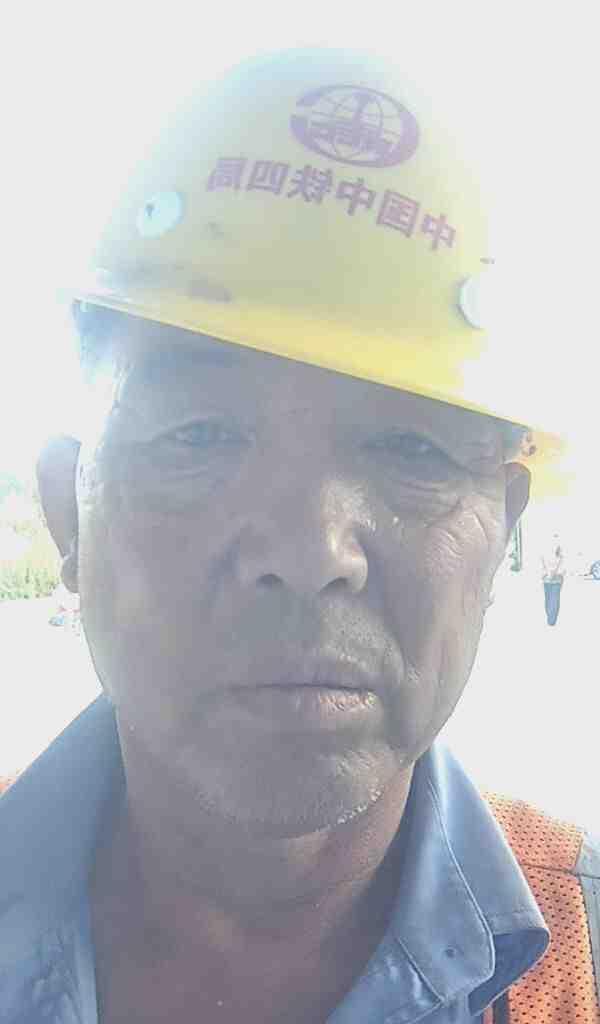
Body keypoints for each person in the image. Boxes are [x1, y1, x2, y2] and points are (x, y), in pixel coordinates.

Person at [1, 50, 598, 1024]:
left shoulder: (584, 959)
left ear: (501, 539)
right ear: (69, 508)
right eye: (200, 435)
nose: (311, 549)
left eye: (411, 448)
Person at [541, 535, 565, 626]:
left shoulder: (561, 555)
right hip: (547, 580)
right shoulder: (544, 553)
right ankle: (550, 617)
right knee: (548, 600)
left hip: (556, 581)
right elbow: (541, 563)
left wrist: (557, 573)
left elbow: (563, 567)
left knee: (554, 600)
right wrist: (545, 573)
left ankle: (552, 619)